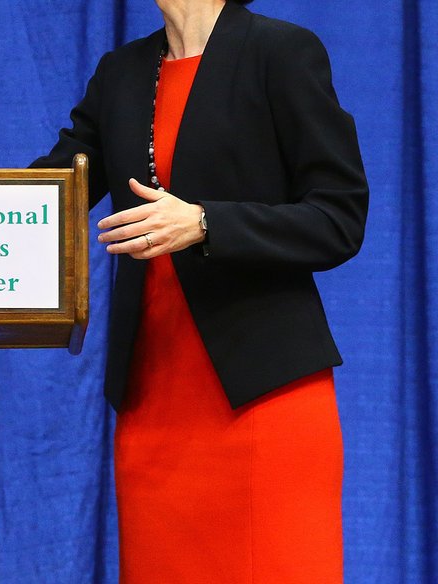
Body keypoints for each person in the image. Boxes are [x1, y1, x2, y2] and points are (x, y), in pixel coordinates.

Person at [32, 0, 367, 581]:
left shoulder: (282, 52)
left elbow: (338, 218)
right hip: (154, 407)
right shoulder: (122, 71)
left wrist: (209, 222)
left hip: (264, 400)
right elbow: (41, 205)